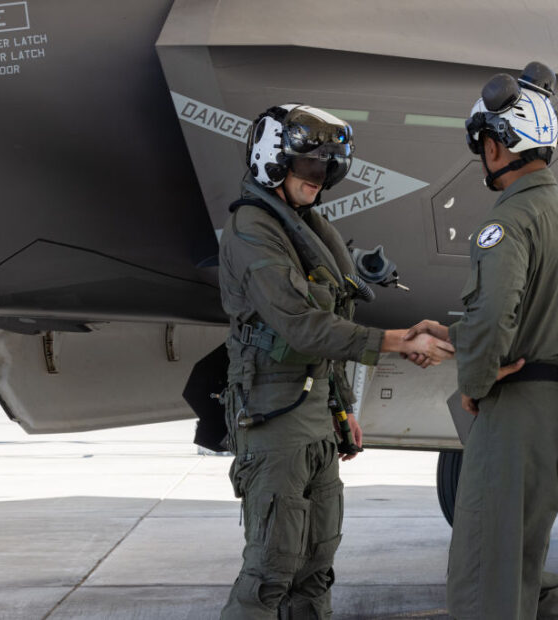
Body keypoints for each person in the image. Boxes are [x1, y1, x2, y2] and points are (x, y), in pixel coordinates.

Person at [218, 103, 454, 619]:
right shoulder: (252, 230)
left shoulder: (306, 229)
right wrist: (397, 341)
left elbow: (328, 330)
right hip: (273, 420)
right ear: (273, 163)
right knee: (269, 573)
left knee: (316, 566)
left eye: (326, 169)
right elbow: (302, 324)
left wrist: (343, 409)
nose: (318, 180)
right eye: (307, 166)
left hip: (314, 418)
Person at [406, 61, 558, 618]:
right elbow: (542, 318)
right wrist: (452, 333)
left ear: (496, 147)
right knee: (520, 565)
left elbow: (497, 317)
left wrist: (474, 378)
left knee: (482, 579)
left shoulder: (509, 222)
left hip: (514, 419)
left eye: (483, 144)